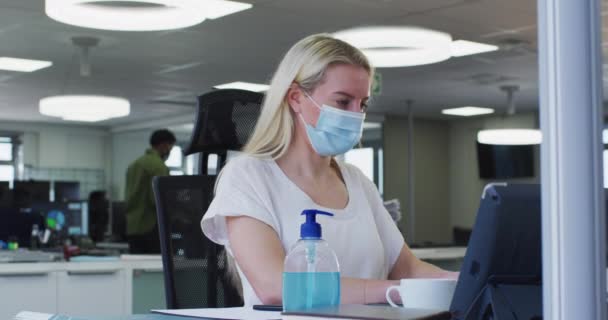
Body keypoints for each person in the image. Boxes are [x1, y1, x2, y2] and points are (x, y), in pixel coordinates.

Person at [201, 34, 457, 306]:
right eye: (343, 102)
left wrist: (465, 281)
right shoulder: (247, 176)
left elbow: (408, 269)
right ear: (297, 98)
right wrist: (395, 291)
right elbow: (275, 287)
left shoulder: (357, 181)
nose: (356, 115)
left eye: (363, 104)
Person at [125, 129, 175, 254]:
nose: (169, 151)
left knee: (136, 267)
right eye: (170, 147)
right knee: (153, 267)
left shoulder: (133, 165)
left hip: (132, 226)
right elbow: (157, 200)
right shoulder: (158, 166)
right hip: (150, 226)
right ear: (164, 145)